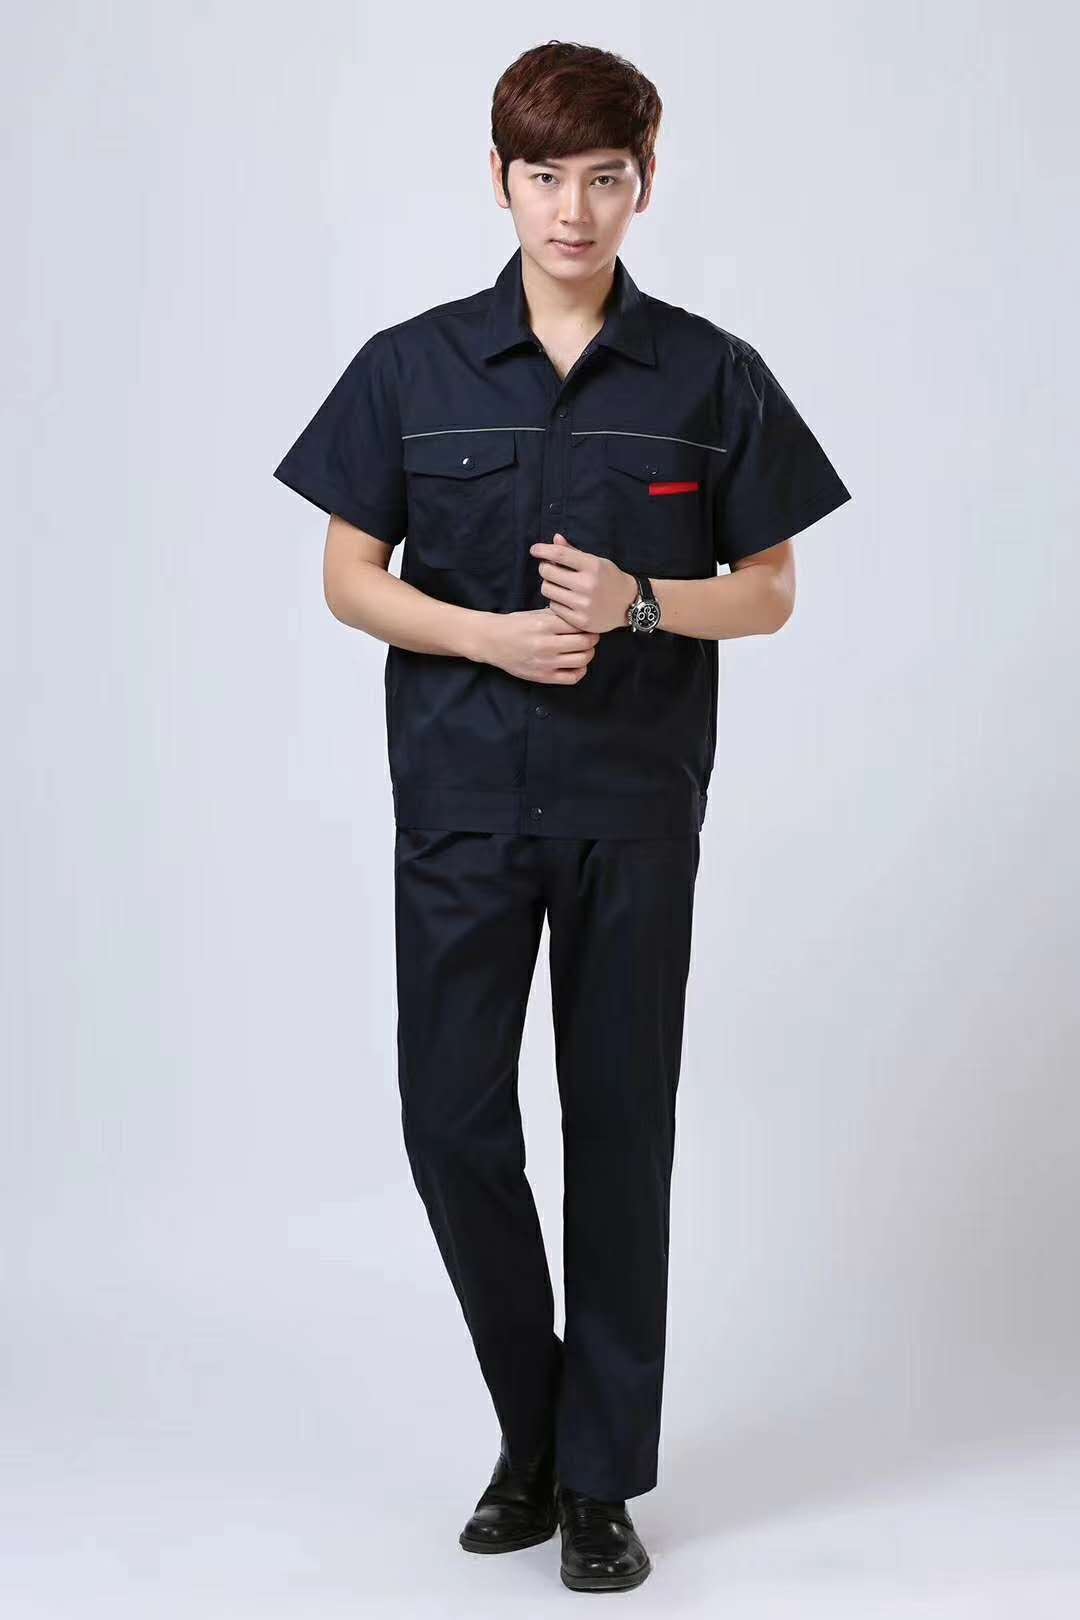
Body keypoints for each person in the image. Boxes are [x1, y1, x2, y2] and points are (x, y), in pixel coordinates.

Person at [273, 38, 851, 1595]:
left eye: (606, 176)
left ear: (644, 184)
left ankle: (595, 1484)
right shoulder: (411, 368)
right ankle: (534, 1429)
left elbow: (772, 592)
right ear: (500, 180)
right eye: (546, 175)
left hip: (633, 806)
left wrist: (640, 600)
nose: (575, 209)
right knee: (450, 1124)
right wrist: (489, 636)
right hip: (462, 801)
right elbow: (347, 577)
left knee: (620, 1137)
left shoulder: (709, 375)